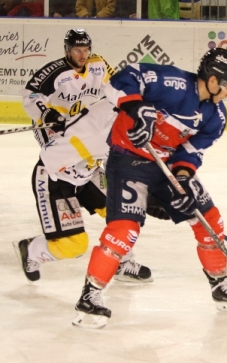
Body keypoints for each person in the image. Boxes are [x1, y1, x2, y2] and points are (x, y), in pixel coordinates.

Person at [72, 47, 227, 329]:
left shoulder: (216, 117)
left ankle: (220, 286)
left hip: (166, 168)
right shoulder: (174, 83)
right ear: (213, 80)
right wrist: (136, 108)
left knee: (209, 220)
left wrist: (182, 180)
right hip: (127, 159)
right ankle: (90, 295)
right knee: (124, 230)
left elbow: (191, 153)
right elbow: (124, 78)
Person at [16, 28, 153, 284]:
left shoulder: (98, 66)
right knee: (73, 244)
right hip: (60, 154)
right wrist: (48, 115)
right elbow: (31, 95)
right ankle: (32, 250)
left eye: (85, 49)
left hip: (87, 158)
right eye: (77, 50)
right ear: (67, 50)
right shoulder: (55, 72)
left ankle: (122, 262)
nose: (82, 55)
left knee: (118, 212)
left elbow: (115, 88)